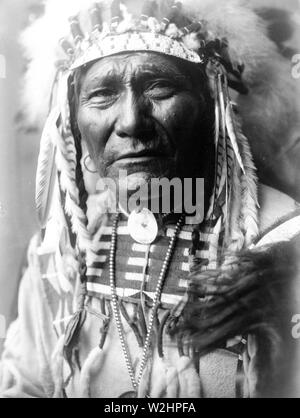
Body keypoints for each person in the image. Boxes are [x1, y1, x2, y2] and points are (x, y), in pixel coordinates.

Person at [0, 0, 300, 398]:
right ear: (77, 131)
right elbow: (27, 386)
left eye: (159, 87)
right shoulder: (62, 255)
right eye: (103, 95)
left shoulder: (282, 243)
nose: (131, 122)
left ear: (214, 110)